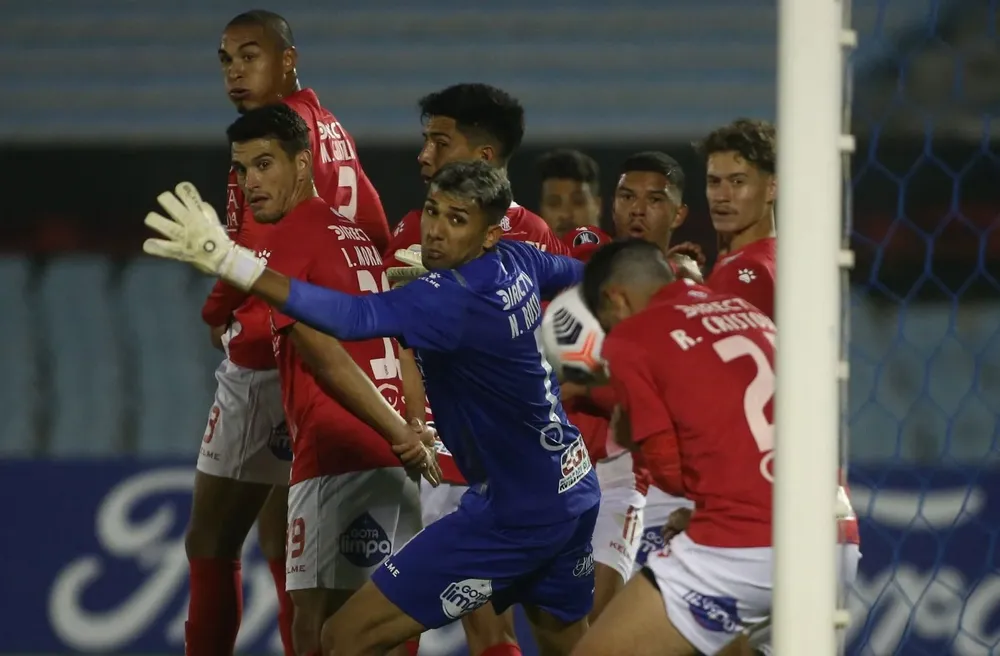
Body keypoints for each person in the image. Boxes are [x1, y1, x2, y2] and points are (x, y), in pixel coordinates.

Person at [142, 160, 600, 656]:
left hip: (514, 512)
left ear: (489, 234)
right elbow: (587, 274)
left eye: (457, 220)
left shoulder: (448, 298)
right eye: (432, 211)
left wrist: (236, 265)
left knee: (343, 637)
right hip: (572, 485)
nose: (436, 230)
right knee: (570, 645)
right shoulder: (519, 260)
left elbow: (352, 315)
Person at [186, 11, 390, 656]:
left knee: (210, 542)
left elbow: (257, 243)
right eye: (225, 60)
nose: (236, 71)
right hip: (334, 354)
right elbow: (377, 233)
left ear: (289, 60)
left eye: (250, 56)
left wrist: (217, 310)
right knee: (290, 552)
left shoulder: (271, 145)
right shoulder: (330, 131)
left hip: (274, 351)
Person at [221, 104, 439, 654]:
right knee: (384, 624)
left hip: (339, 453)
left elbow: (322, 353)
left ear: (302, 165)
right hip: (389, 454)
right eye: (242, 170)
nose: (251, 183)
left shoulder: (292, 240)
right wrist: (413, 424)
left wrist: (401, 431)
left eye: (265, 165)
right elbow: (402, 341)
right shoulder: (356, 236)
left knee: (312, 625)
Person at [383, 83, 569, 656]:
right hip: (459, 449)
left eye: (439, 142)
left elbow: (557, 342)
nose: (424, 155)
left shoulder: (529, 237)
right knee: (499, 623)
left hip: (507, 453)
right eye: (425, 140)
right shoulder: (418, 227)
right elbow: (406, 346)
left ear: (483, 157)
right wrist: (416, 422)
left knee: (518, 622)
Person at [570, 238, 778, 656]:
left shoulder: (632, 338)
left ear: (616, 300)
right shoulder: (742, 310)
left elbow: (669, 474)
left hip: (744, 545)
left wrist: (632, 439)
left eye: (606, 322)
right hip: (832, 535)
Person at [697, 118, 777, 318]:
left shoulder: (746, 271)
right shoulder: (774, 258)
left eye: (737, 182)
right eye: (714, 182)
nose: (722, 196)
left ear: (772, 188)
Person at [536, 149, 602, 238]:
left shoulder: (622, 252)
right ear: (541, 211)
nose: (566, 214)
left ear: (598, 206)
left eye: (578, 202)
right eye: (554, 203)